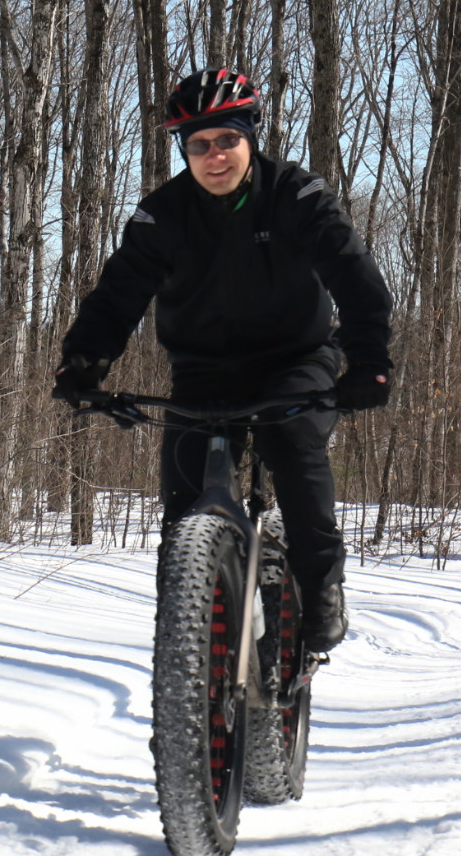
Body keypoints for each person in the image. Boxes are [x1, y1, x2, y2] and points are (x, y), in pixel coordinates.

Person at [53, 68, 393, 652]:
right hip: (204, 371)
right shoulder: (164, 215)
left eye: (227, 140)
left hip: (297, 358)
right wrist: (84, 361)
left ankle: (320, 588)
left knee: (290, 444)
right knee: (184, 501)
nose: (215, 156)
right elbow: (119, 294)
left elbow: (356, 277)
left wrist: (369, 362)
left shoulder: (294, 195)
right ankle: (189, 646)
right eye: (199, 145)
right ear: (186, 151)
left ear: (250, 137)